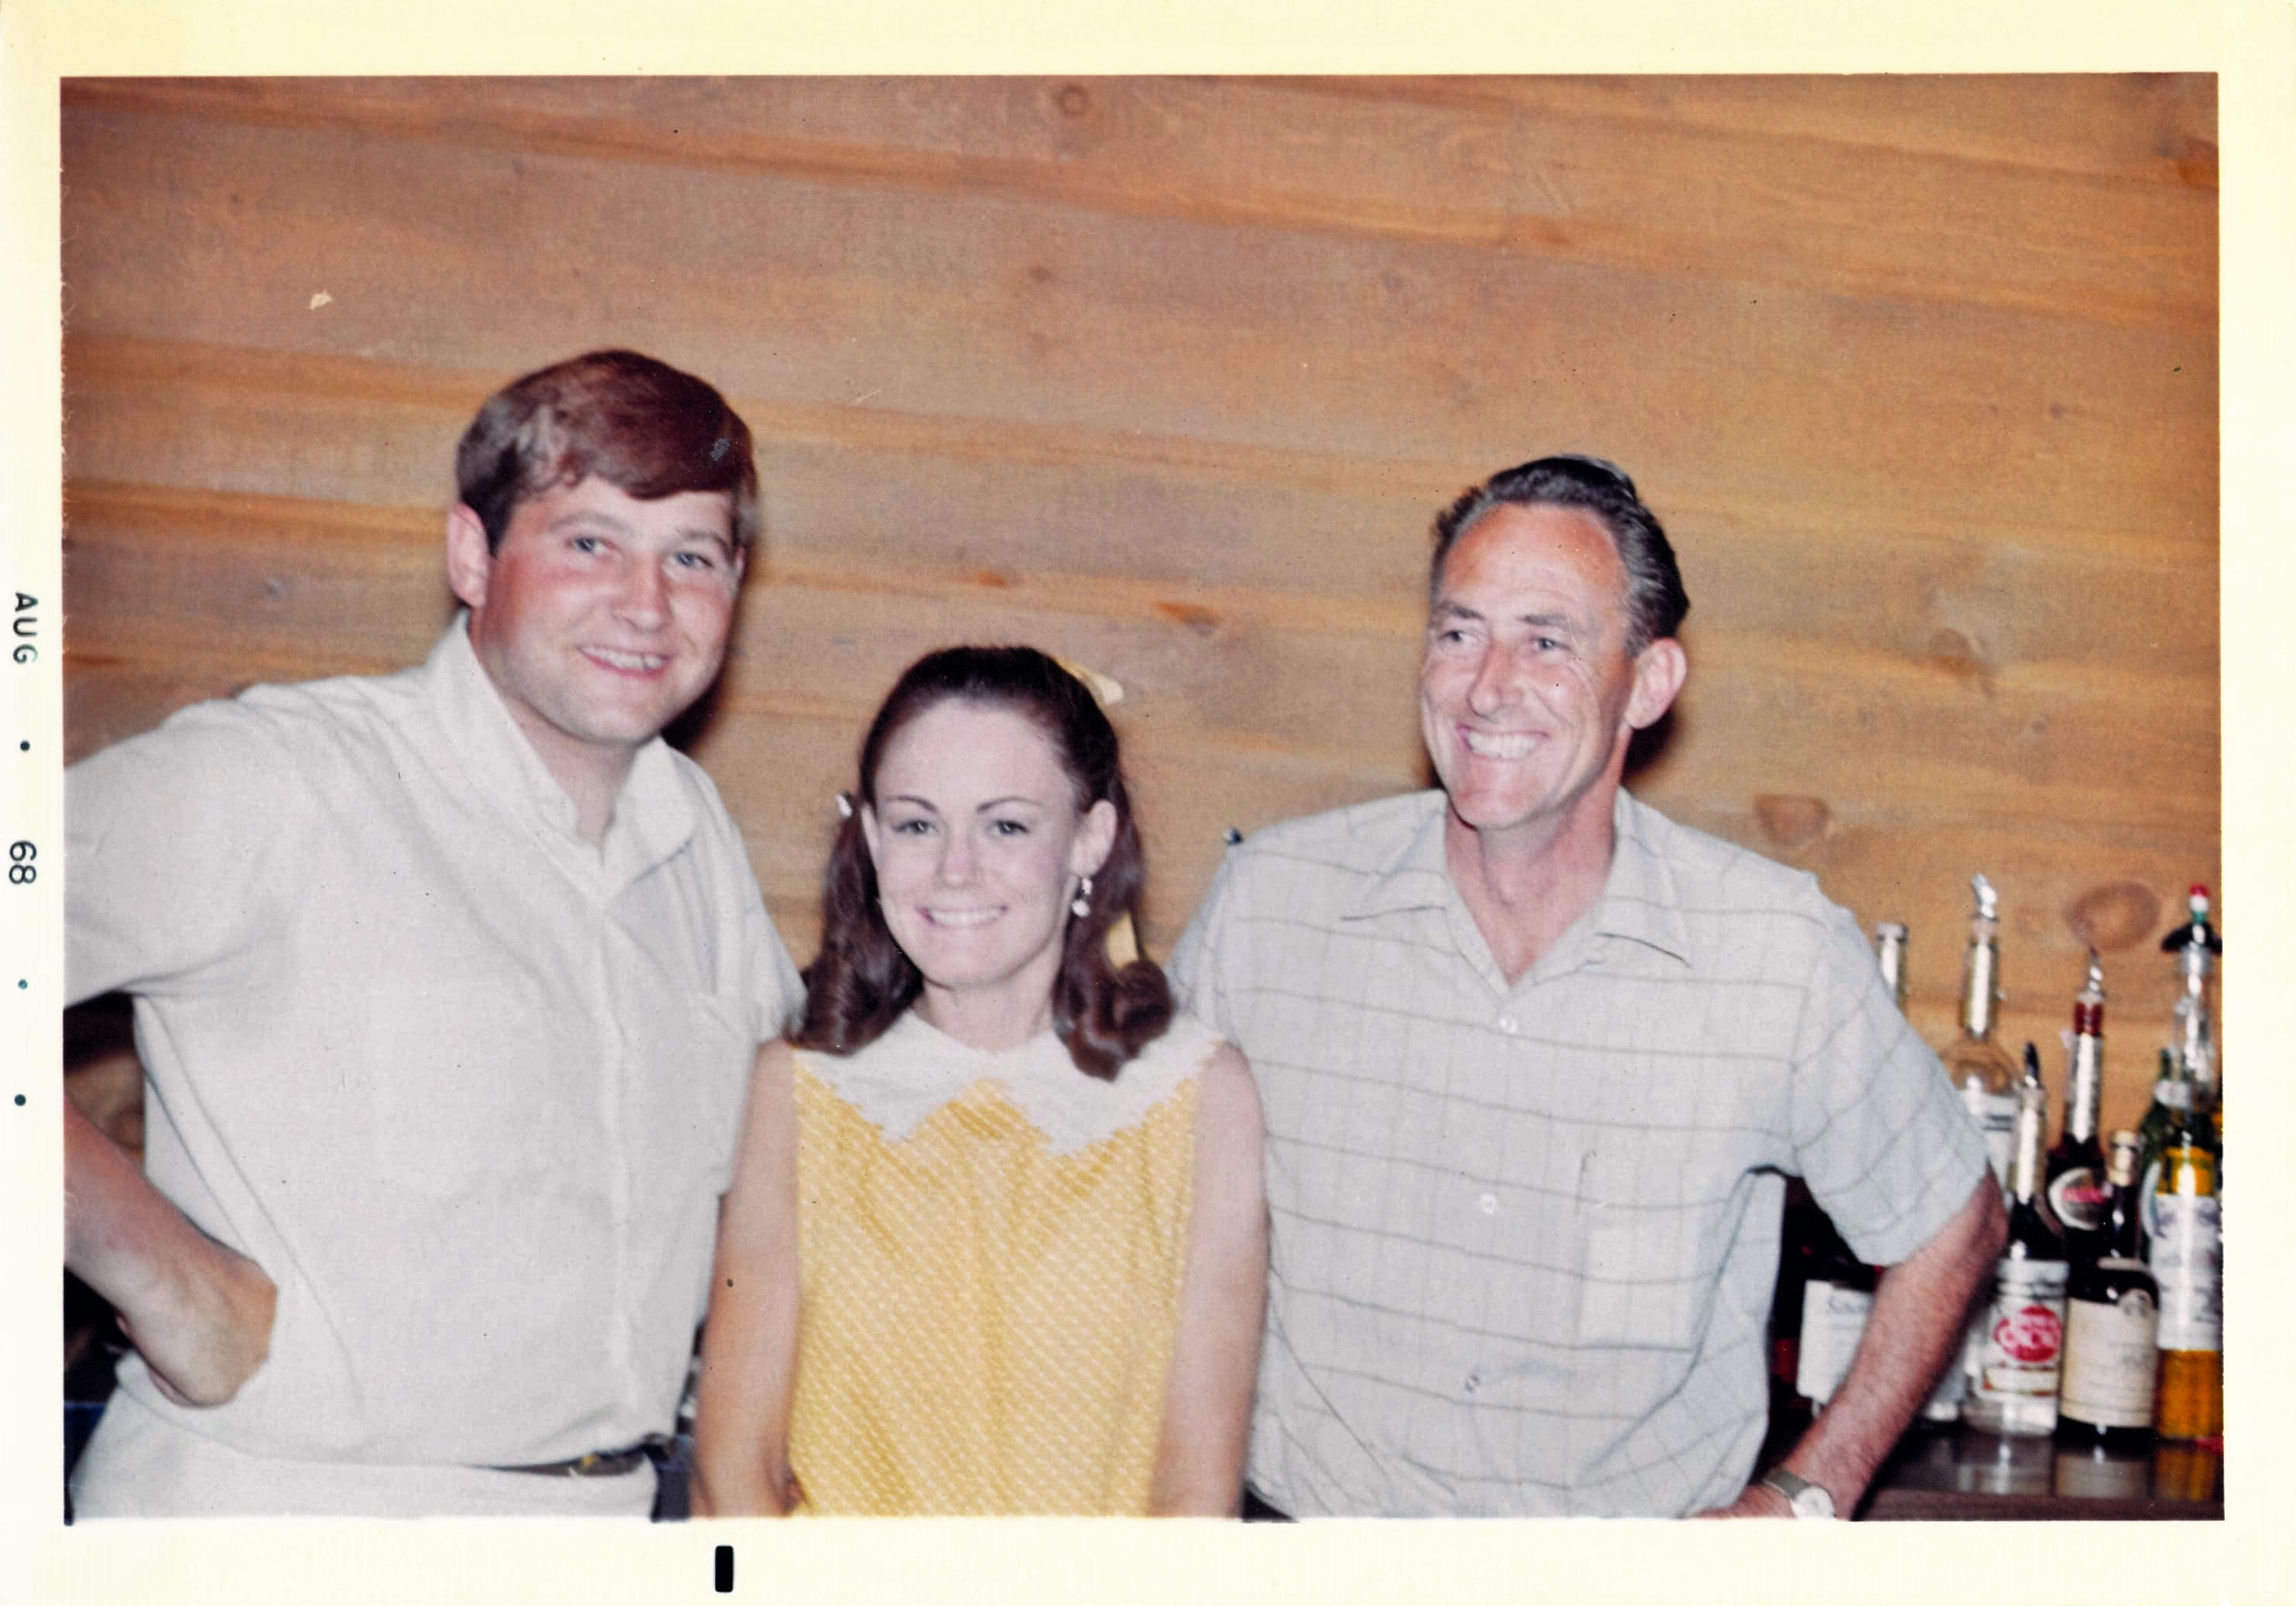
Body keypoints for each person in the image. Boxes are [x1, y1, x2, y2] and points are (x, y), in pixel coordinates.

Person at [1171, 455, 2006, 1519]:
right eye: (1458, 631)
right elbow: (1130, 1219)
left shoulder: (1772, 952)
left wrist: (1803, 1496)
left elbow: (1951, 1221)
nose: (1486, 685)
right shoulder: (1270, 908)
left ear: (1647, 684)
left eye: (1546, 640)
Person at [63, 350, 804, 1517]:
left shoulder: (693, 835)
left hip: (601, 1524)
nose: (647, 603)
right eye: (590, 542)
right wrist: (164, 1281)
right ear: (472, 554)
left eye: (692, 556)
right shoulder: (281, 776)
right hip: (285, 1527)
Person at [692, 647, 1268, 1516]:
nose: (954, 870)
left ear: (1090, 838)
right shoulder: (798, 1088)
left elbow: (1196, 1489)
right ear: (872, 839)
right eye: (917, 825)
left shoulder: (1198, 1094)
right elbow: (733, 1466)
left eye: (1005, 827)